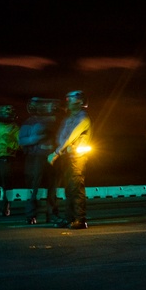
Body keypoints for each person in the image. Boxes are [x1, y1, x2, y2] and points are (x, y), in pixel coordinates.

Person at [48, 90, 92, 230]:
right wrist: (60, 150)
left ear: (79, 101)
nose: (68, 102)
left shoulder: (83, 118)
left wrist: (56, 152)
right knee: (69, 189)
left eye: (71, 99)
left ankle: (80, 219)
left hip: (77, 158)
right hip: (67, 158)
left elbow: (70, 137)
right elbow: (60, 137)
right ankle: (69, 218)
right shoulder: (68, 118)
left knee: (76, 188)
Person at [18, 97, 59, 225]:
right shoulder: (33, 121)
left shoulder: (52, 121)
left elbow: (23, 140)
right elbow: (22, 140)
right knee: (37, 188)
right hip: (38, 158)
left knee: (48, 187)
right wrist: (39, 137)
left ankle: (42, 214)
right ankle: (35, 214)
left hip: (47, 158)